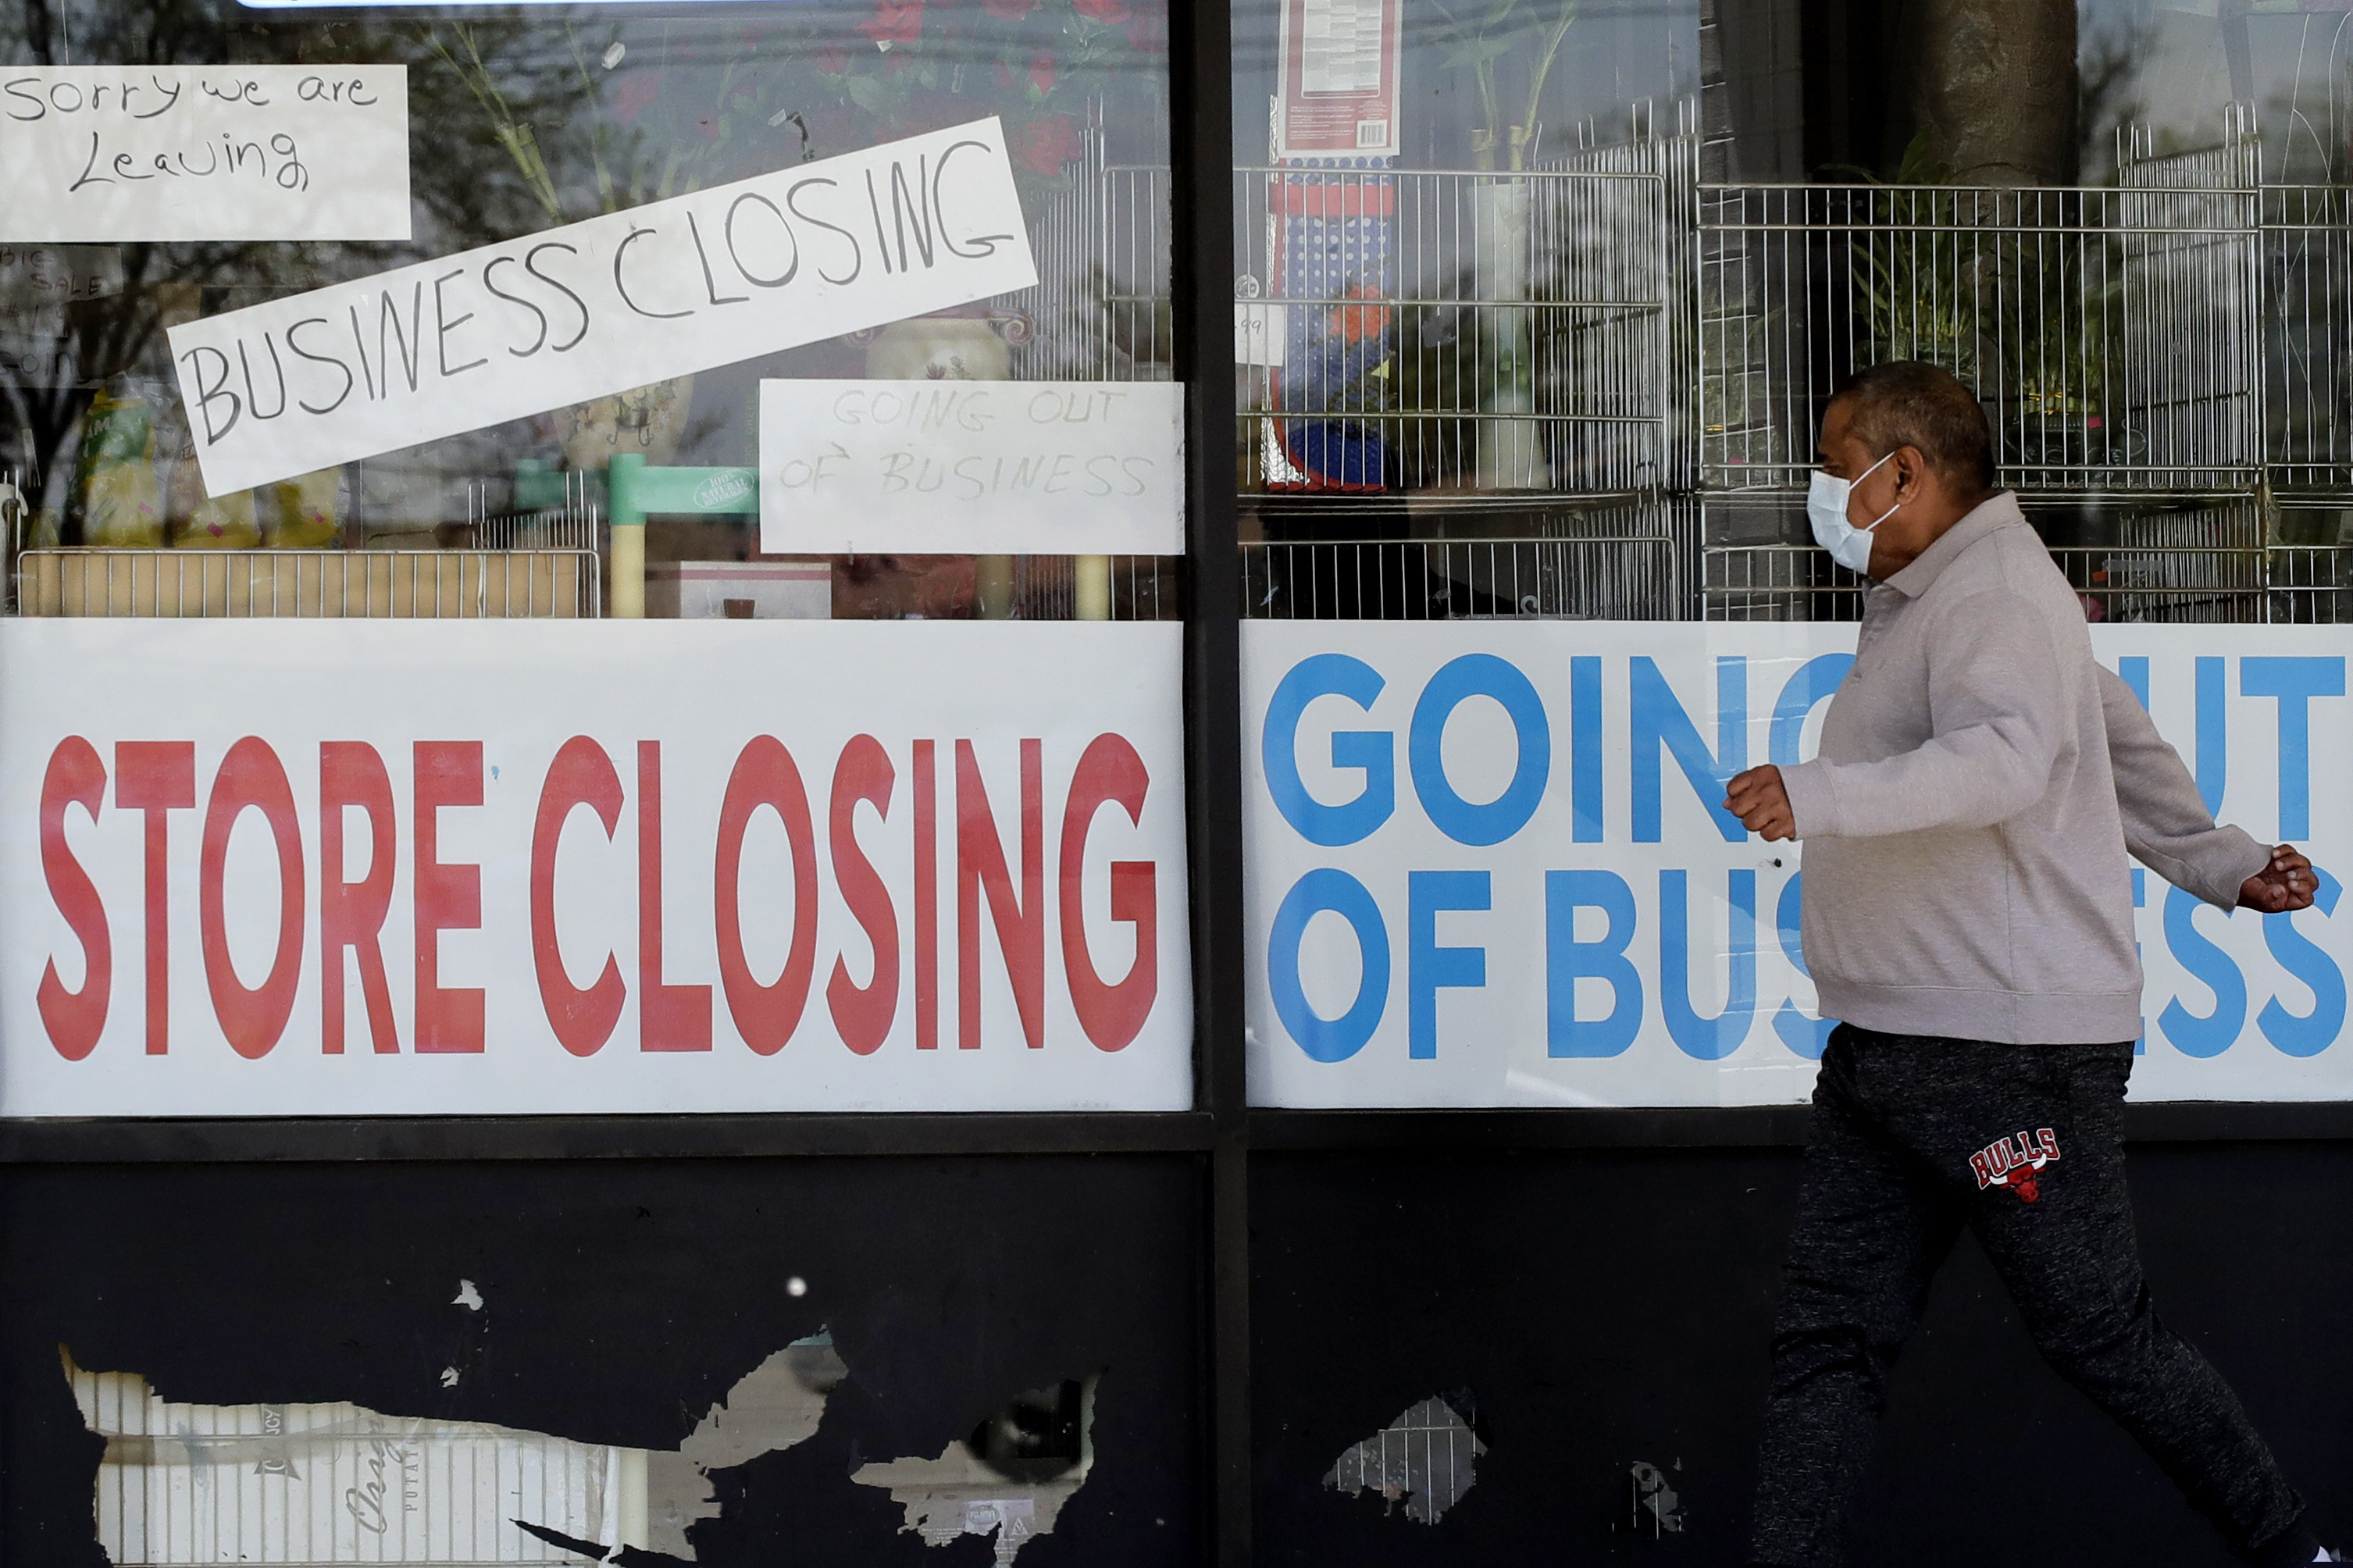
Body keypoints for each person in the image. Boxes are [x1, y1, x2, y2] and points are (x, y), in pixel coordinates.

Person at [1722, 361, 2333, 1568]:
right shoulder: (1947, 591)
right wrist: (2223, 859)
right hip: (1887, 1052)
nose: (1824, 495)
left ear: (1907, 472)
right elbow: (2105, 730)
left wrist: (1818, 794)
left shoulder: (1997, 592)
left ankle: (2294, 1556)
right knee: (1828, 1343)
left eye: (1838, 471)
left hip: (2008, 1062)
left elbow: (2006, 760)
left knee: (2102, 1336)